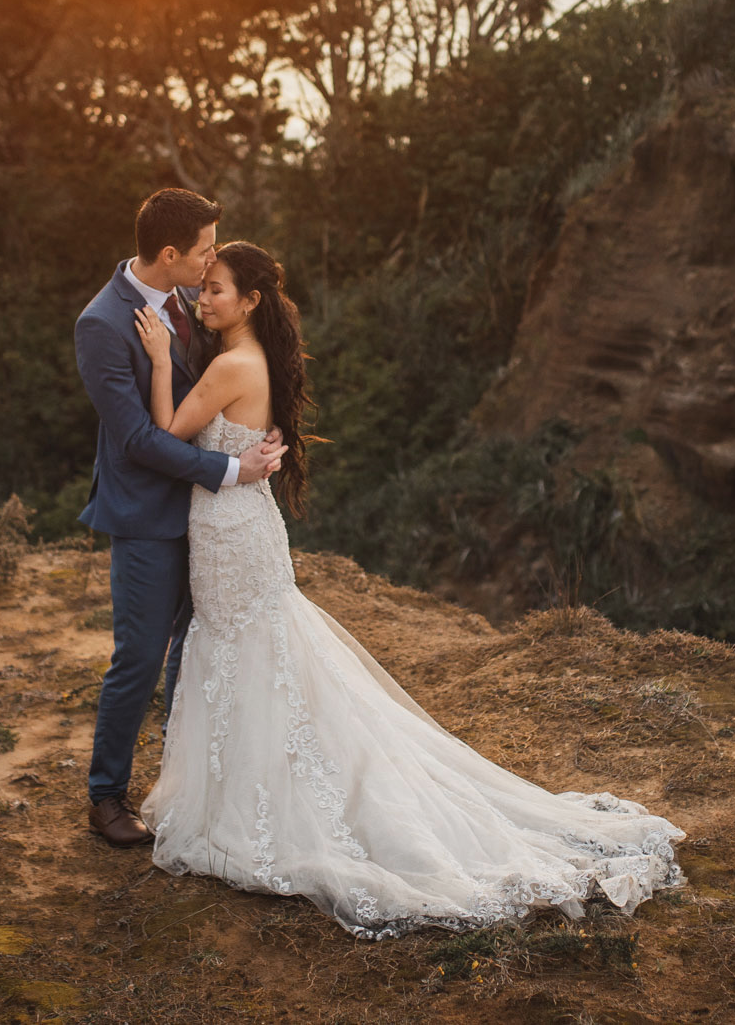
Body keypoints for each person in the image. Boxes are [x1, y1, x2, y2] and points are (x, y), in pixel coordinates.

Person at [128, 240, 684, 939]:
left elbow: (161, 433)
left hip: (232, 533)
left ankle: (265, 806)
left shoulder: (233, 363)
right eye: (201, 287)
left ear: (250, 301)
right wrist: (236, 463)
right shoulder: (250, 359)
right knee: (257, 658)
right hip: (238, 525)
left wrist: (155, 361)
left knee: (250, 655)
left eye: (215, 289)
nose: (202, 299)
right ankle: (253, 796)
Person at [73, 190, 285, 847]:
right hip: (148, 515)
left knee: (199, 655)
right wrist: (229, 471)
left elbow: (215, 390)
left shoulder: (191, 303)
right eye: (203, 250)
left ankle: (193, 783)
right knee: (139, 656)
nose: (211, 258)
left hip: (210, 524)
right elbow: (138, 437)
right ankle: (106, 797)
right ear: (171, 255)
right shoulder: (102, 323)